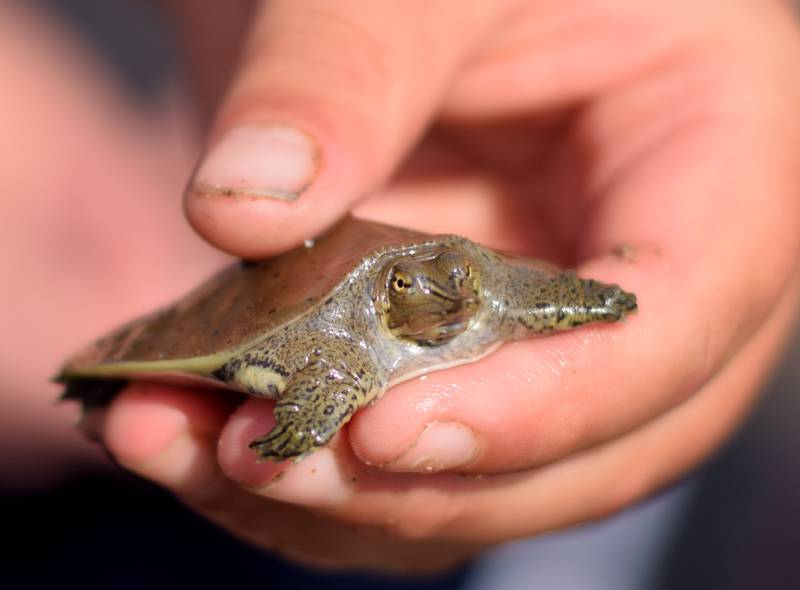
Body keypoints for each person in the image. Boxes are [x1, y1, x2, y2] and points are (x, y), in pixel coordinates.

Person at [5, 0, 800, 573]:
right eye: (424, 284)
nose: (450, 290)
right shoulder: (349, 336)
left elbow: (573, 295)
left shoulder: (477, 284)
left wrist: (610, 297)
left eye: (460, 280)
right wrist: (301, 424)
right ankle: (93, 381)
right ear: (393, 296)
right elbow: (319, 395)